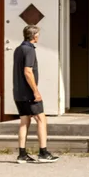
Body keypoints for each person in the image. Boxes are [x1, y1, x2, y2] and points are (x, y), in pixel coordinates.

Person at [13, 25, 59, 165]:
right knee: (41, 119)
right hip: (28, 93)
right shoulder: (30, 50)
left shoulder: (18, 49)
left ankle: (22, 154)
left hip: (18, 92)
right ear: (35, 36)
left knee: (24, 122)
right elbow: (28, 71)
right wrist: (35, 91)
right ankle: (43, 152)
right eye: (38, 34)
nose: (39, 36)